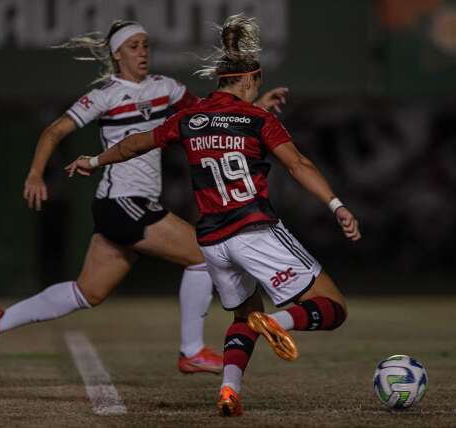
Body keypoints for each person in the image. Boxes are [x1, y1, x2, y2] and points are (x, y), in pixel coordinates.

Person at [65, 15, 362, 417]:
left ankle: (228, 390)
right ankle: (279, 324)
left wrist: (94, 158)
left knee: (243, 313)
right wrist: (336, 204)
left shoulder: (192, 118)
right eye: (256, 82)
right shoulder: (258, 120)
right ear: (250, 79)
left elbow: (136, 143)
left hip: (213, 242)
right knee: (332, 306)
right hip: (255, 229)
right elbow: (299, 165)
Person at [0, 20, 289, 376]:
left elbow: (211, 117)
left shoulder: (166, 88)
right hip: (123, 201)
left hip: (122, 207)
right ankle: (191, 350)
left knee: (87, 292)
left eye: (146, 44)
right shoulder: (105, 95)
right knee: (199, 256)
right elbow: (55, 130)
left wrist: (257, 105)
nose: (143, 51)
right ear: (117, 54)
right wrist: (35, 173)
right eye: (133, 46)